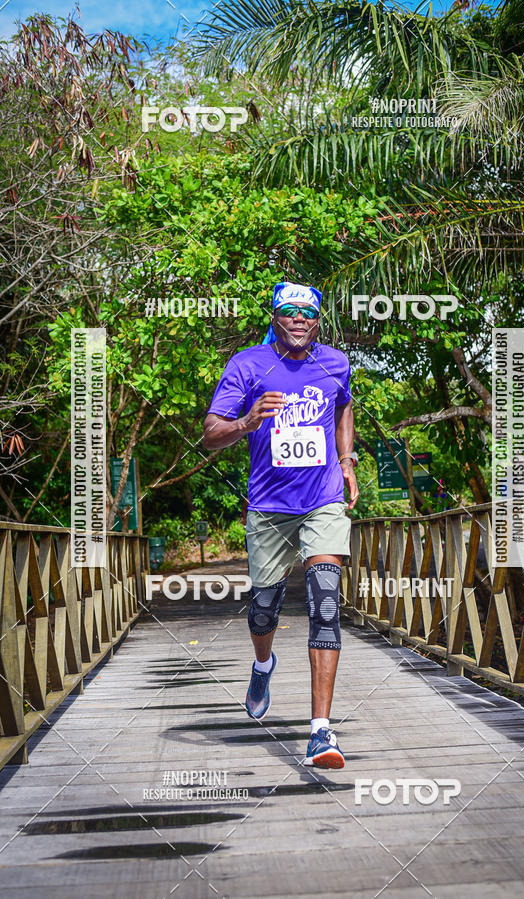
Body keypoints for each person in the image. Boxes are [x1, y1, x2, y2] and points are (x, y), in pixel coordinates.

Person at [202, 282, 359, 768]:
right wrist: (248, 422)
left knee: (326, 604)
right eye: (288, 312)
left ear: (317, 322)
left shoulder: (333, 362)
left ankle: (321, 734)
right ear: (274, 316)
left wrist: (347, 457)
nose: (297, 319)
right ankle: (263, 664)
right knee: (264, 610)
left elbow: (343, 405)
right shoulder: (247, 365)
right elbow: (210, 434)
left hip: (324, 500)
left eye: (306, 313)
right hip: (269, 506)